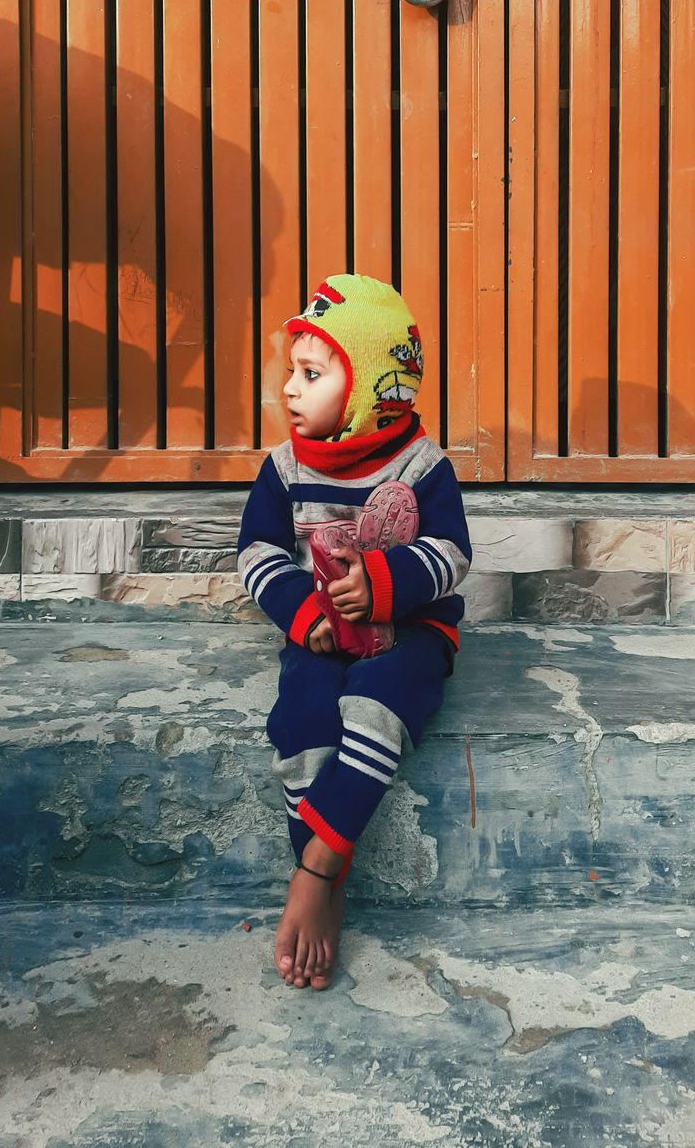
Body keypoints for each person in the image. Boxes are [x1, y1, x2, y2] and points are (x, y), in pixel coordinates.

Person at [236, 272, 472, 991]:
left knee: (374, 707)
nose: (290, 390)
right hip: (320, 633)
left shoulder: (422, 467)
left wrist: (386, 583)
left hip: (410, 634)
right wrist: (303, 615)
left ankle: (316, 871)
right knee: (303, 717)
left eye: (312, 374)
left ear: (372, 384)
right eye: (290, 373)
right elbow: (256, 552)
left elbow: (452, 554)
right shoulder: (285, 468)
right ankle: (323, 870)